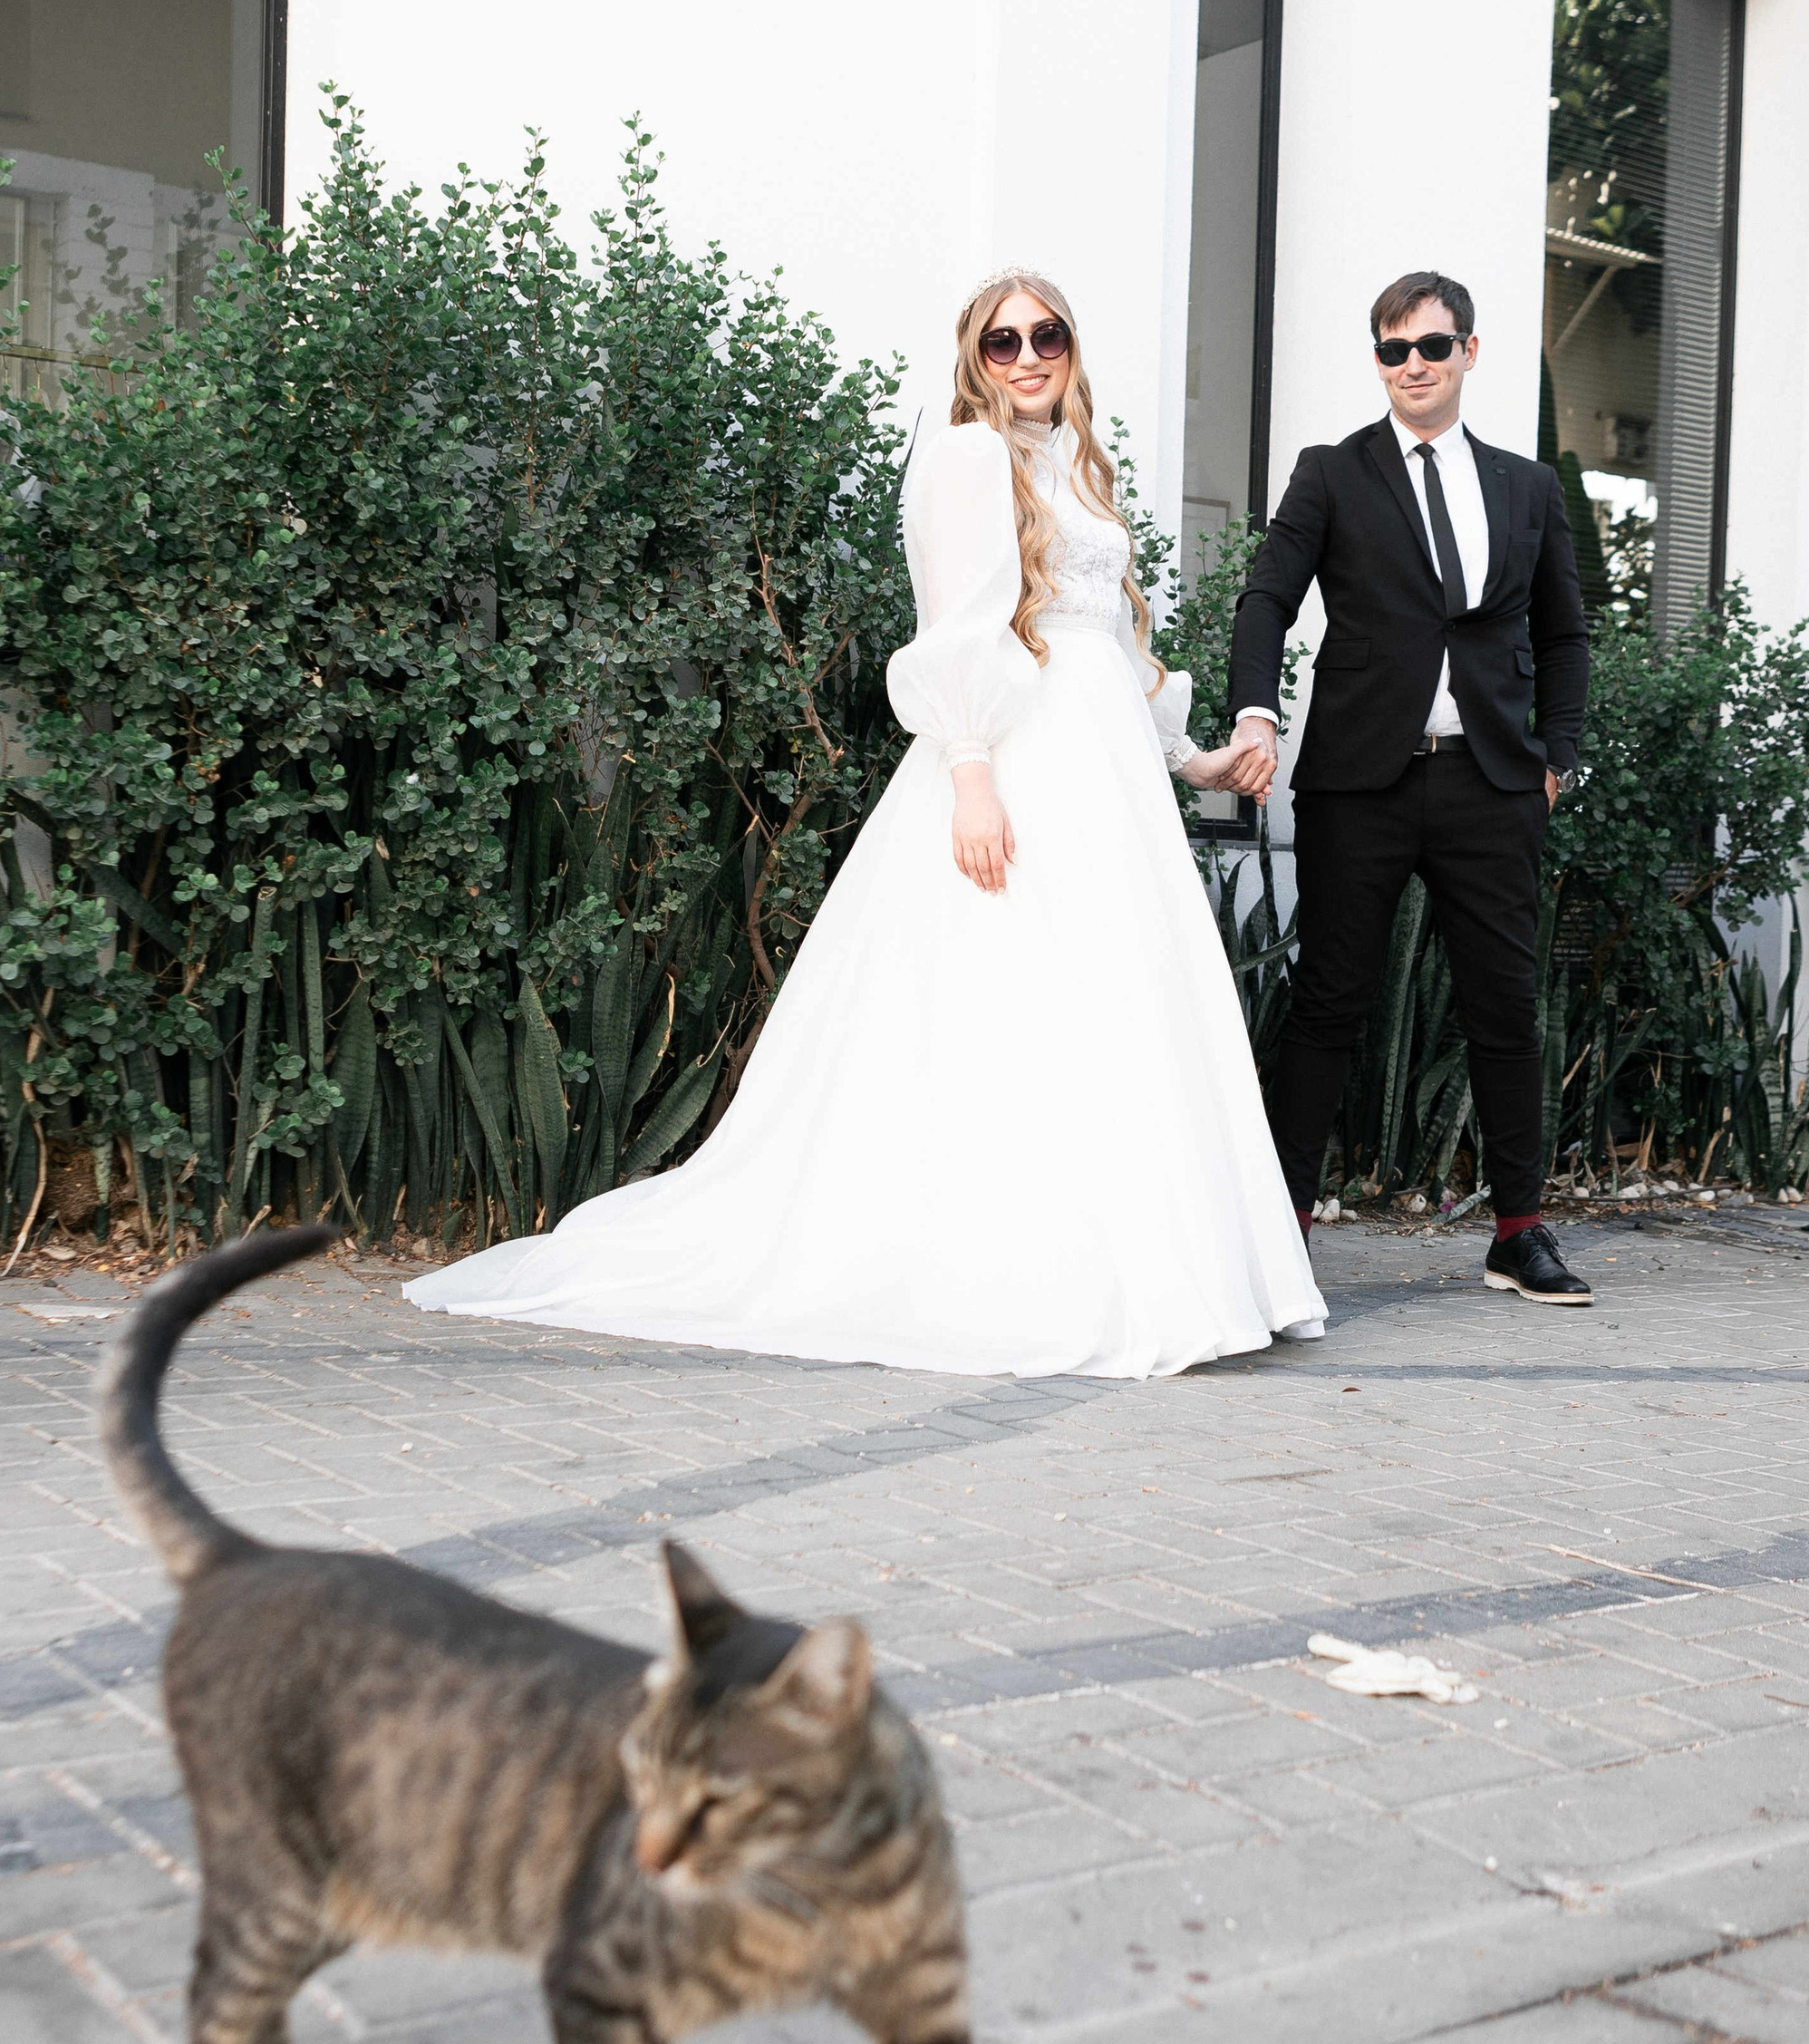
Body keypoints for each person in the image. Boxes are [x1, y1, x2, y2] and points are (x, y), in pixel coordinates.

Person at [401, 271, 1325, 1379]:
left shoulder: (1075, 462)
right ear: (972, 360)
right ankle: (1027, 1268)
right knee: (1008, 994)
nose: (1028, 357)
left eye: (1048, 335)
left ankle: (1153, 1260)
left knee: (1115, 997)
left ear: (1074, 348)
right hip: (1014, 756)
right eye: (1002, 343)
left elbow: (1111, 651)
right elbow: (956, 628)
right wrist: (971, 772)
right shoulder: (968, 457)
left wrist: (1193, 757)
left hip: (1105, 770)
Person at [1222, 269, 1594, 1305]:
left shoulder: (1527, 488)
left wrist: (1557, 756)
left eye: (1431, 348)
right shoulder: (1332, 474)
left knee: (1504, 1009)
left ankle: (1517, 1231)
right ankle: (1286, 1227)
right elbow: (1266, 599)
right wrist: (1256, 710)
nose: (1412, 368)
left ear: (1469, 351)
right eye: (1392, 352)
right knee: (1329, 1004)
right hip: (1359, 782)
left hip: (1490, 782)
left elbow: (1565, 633)